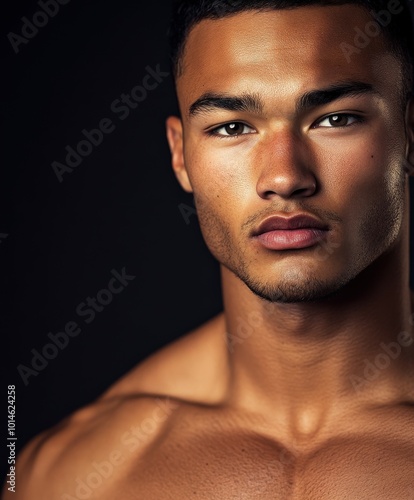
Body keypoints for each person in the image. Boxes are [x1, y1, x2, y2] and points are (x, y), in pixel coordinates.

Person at [5, 0, 414, 498]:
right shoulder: (73, 475)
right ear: (180, 155)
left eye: (334, 119)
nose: (284, 177)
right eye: (232, 127)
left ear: (409, 134)